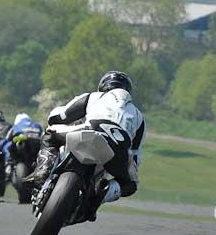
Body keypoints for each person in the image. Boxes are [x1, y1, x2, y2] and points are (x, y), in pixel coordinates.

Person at [25, 71, 145, 219]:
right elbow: (136, 155)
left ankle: (43, 171)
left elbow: (60, 115)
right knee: (131, 185)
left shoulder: (94, 97)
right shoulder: (139, 116)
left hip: (90, 131)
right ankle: (101, 194)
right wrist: (127, 168)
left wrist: (54, 120)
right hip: (119, 148)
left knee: (50, 134)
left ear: (103, 86)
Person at [0, 113, 43, 178]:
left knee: (7, 145)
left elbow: (6, 139)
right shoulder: (37, 125)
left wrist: (0, 147)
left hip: (21, 142)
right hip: (35, 144)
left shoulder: (15, 126)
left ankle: (8, 164)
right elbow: (43, 136)